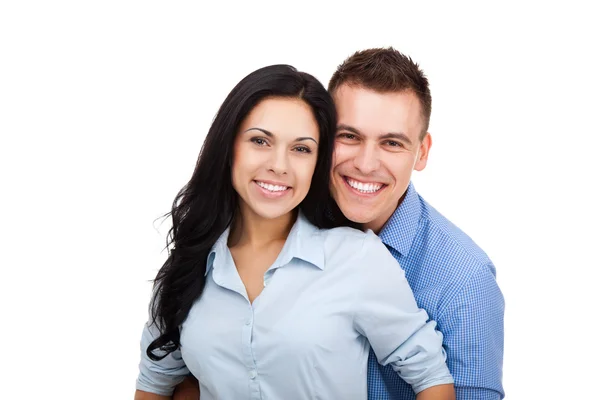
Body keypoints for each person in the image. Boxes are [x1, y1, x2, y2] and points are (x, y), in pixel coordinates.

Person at [173, 48, 505, 400]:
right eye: (349, 136)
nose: (365, 163)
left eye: (392, 143)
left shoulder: (465, 279)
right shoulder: (260, 223)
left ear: (422, 152)